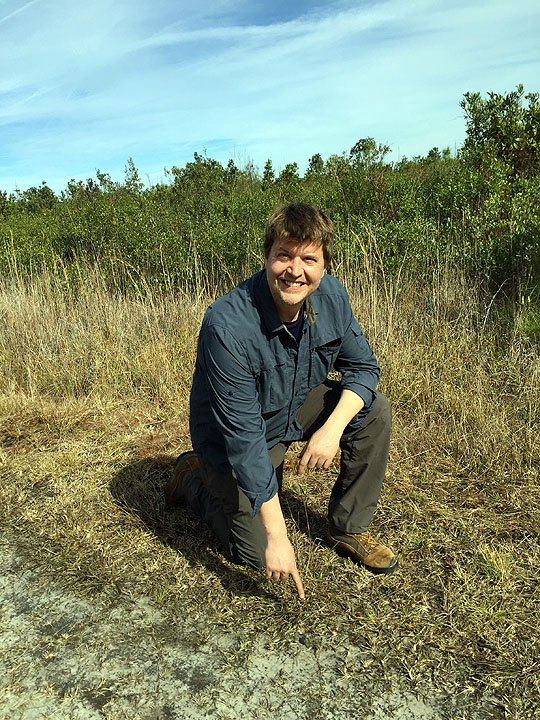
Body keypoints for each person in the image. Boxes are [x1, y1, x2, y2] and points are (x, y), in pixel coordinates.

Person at [166, 203, 397, 598]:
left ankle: (348, 527)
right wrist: (277, 535)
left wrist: (331, 429)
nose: (295, 270)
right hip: (233, 439)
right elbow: (244, 439)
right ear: (267, 256)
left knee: (373, 410)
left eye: (309, 258)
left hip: (292, 408)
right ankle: (193, 478)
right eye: (284, 255)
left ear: (324, 266)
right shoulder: (226, 325)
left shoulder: (333, 298)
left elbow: (363, 368)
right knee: (255, 553)